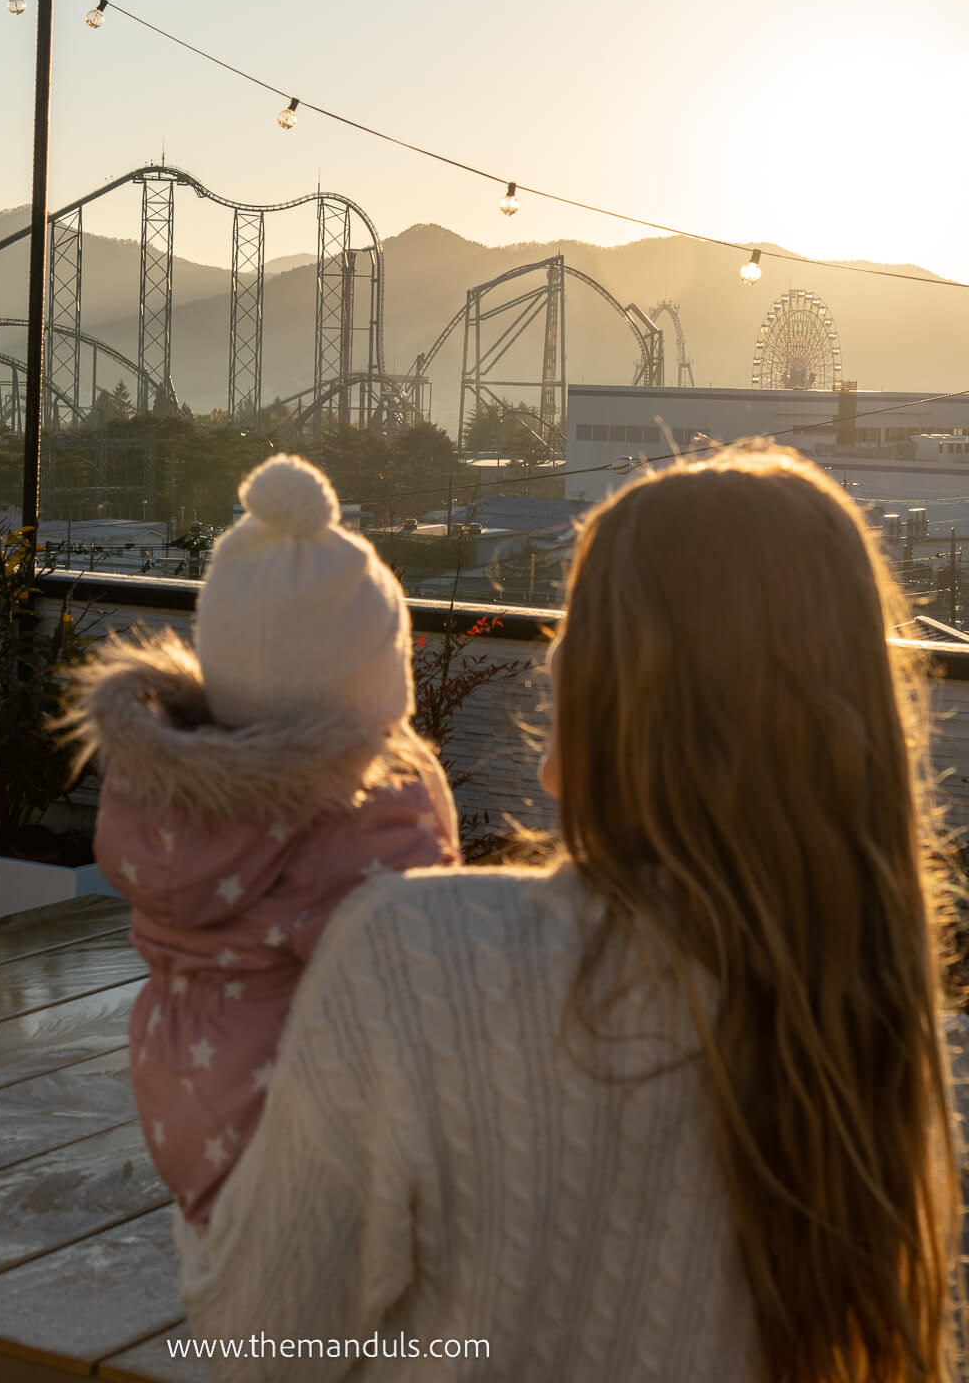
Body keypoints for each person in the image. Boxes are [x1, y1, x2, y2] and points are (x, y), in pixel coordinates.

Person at [176, 444, 963, 1381]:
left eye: (573, 629)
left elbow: (257, 1342)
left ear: (604, 684)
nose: (551, 659)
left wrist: (214, 1148)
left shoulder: (417, 956)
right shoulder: (873, 1030)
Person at [61, 453, 459, 1225]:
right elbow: (424, 967)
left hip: (184, 1092)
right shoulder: (364, 810)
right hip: (299, 1120)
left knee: (223, 1257)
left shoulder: (163, 789)